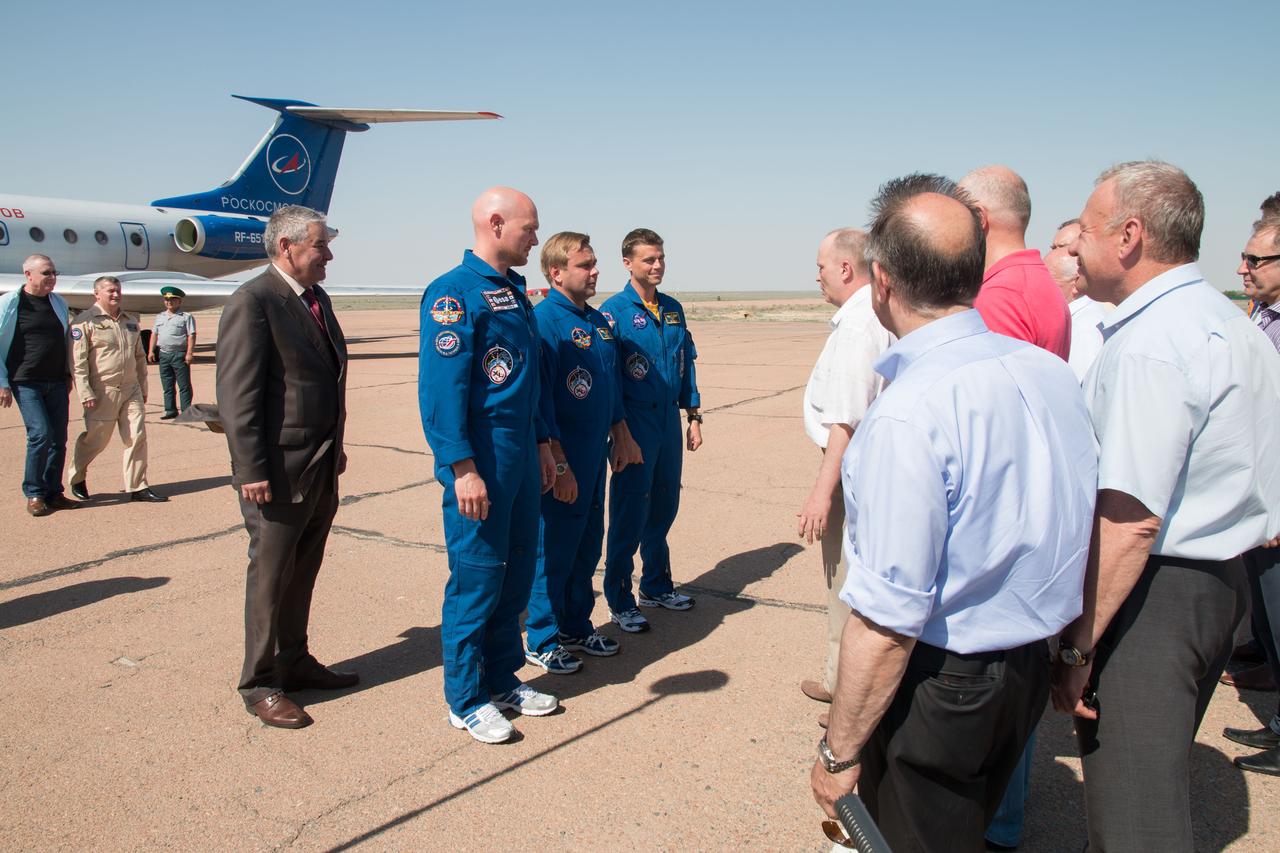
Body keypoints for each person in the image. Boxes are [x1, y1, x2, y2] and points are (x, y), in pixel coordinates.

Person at [810, 174, 1096, 853]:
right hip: (1025, 666)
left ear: (883, 282)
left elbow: (885, 621)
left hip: (946, 685)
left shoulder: (909, 410)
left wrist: (838, 752)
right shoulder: (1048, 371)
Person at [1052, 161, 1280, 849]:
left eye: (1084, 232)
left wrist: (1077, 646)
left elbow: (1130, 519)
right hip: (1219, 581)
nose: (1075, 249)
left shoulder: (1152, 342)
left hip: (1155, 593)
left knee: (1134, 814)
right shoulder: (1223, 319)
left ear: (1129, 235)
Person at [418, 186, 558, 745]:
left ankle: (502, 677)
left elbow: (530, 382)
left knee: (519, 568)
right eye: (529, 226)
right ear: (496, 223)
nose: (535, 236)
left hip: (522, 451)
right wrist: (461, 467)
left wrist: (545, 445)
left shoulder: (516, 294)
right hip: (483, 455)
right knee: (478, 575)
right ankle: (466, 697)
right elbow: (441, 391)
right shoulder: (453, 295)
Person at [216, 205, 356, 729]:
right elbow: (238, 397)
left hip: (318, 465)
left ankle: (294, 661)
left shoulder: (314, 299)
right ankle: (259, 682)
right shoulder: (253, 301)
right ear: (287, 248)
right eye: (320, 246)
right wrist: (251, 468)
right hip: (274, 471)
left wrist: (335, 445)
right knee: (271, 576)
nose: (329, 255)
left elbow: (323, 378)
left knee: (304, 569)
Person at [524, 232, 642, 675]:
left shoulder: (598, 323)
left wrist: (621, 434)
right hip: (564, 461)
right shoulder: (545, 324)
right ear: (556, 273)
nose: (595, 272)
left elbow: (610, 388)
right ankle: (541, 636)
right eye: (584, 265)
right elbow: (542, 402)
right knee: (552, 550)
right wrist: (559, 464)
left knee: (587, 545)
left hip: (595, 457)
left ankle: (575, 625)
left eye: (594, 264)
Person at [795, 228, 892, 725]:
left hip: (850, 475)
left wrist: (820, 493)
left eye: (822, 266)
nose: (817, 275)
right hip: (859, 472)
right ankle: (838, 680)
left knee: (845, 587)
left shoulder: (858, 329)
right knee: (844, 584)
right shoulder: (867, 318)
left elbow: (845, 422)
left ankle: (848, 700)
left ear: (847, 269)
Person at [600, 229, 703, 634]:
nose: (657, 266)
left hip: (668, 423)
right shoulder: (614, 312)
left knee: (663, 506)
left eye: (660, 258)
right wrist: (618, 429)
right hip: (634, 424)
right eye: (648, 260)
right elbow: (608, 376)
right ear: (627, 263)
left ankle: (657, 586)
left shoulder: (673, 309)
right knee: (629, 509)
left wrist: (693, 414)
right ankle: (620, 598)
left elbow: (686, 362)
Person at [1221, 198, 1280, 773]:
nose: (1243, 269)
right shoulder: (1261, 318)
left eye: (1257, 260)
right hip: (1262, 502)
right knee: (1269, 619)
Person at [67, 276, 167, 503]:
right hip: (103, 391)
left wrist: (143, 387)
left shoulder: (129, 322)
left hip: (130, 389)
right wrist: (85, 392)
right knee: (96, 440)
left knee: (137, 435)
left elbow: (139, 357)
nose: (115, 295)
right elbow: (78, 362)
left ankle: (138, 485)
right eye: (110, 291)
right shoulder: (84, 323)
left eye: (118, 291)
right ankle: (77, 476)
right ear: (97, 294)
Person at [960, 165, 1071, 360]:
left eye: (959, 215)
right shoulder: (1039, 280)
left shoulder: (998, 296)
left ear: (979, 217)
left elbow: (992, 386)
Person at [0, 254, 75, 516]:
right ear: (28, 274)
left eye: (54, 272)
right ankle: (34, 492)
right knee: (40, 434)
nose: (52, 278)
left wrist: (68, 374)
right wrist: (2, 382)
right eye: (46, 273)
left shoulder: (58, 302)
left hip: (56, 381)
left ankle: (53, 492)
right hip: (25, 381)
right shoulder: (10, 303)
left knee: (59, 439)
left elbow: (65, 340)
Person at [1046, 218, 1108, 382]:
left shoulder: (1085, 329)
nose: (1049, 254)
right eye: (1052, 247)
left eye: (1059, 247)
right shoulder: (1073, 320)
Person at [148, 285, 196, 419]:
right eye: (167, 299)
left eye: (173, 299)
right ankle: (170, 410)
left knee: (184, 385)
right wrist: (151, 351)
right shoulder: (160, 317)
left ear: (179, 301)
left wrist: (189, 353)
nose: (169, 302)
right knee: (167, 384)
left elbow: (191, 335)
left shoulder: (186, 317)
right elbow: (154, 334)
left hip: (179, 354)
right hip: (164, 354)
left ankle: (186, 411)